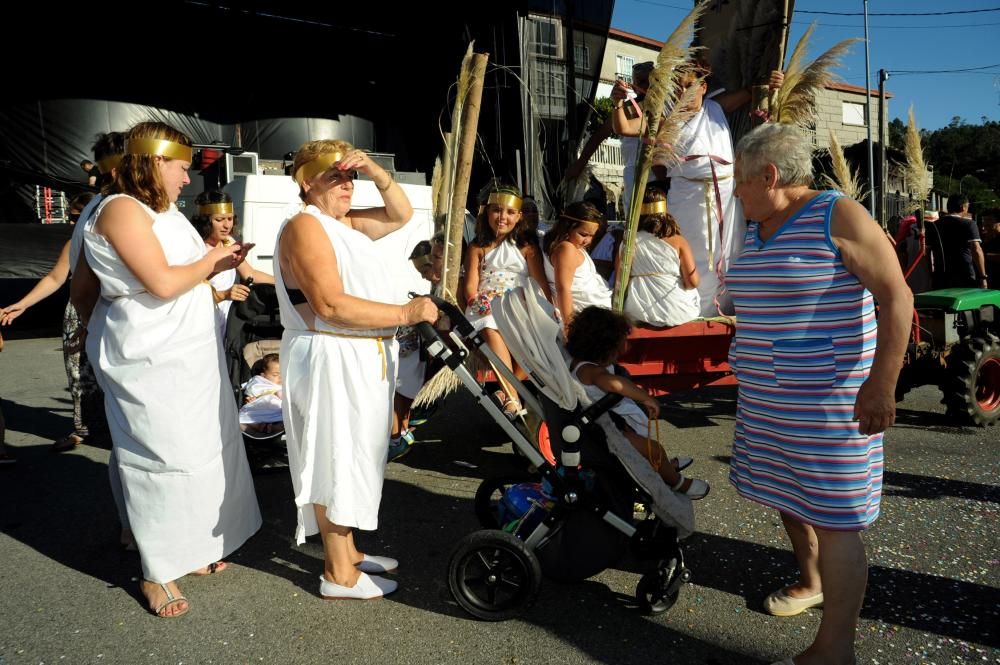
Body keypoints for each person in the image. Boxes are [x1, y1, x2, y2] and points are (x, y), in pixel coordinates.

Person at [726, 123, 912, 665]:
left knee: (835, 520)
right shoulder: (756, 225)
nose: (735, 192)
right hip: (768, 400)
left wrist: (882, 385)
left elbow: (896, 299)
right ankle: (811, 583)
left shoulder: (837, 214)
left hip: (828, 405)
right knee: (791, 500)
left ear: (770, 174)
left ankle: (835, 651)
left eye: (740, 180)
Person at [70, 121, 262, 618]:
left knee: (198, 451)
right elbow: (156, 282)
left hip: (188, 356)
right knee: (157, 456)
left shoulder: (166, 214)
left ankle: (188, 544)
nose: (186, 179)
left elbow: (186, 274)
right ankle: (156, 570)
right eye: (181, 167)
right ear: (156, 161)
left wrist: (220, 265)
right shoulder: (119, 210)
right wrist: (103, 336)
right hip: (148, 358)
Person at [274, 138, 437, 600]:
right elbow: (328, 304)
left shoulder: (340, 222)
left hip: (355, 354)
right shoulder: (306, 227)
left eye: (350, 176)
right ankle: (337, 574)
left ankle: (349, 554)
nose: (347, 184)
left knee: (354, 459)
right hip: (331, 354)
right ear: (307, 184)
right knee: (334, 460)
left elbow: (401, 214)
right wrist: (405, 314)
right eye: (335, 177)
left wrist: (376, 171)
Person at [660, 59, 784, 317]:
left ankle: (726, 307)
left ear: (703, 87)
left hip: (726, 196)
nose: (684, 92)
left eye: (690, 85)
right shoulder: (667, 120)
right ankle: (692, 310)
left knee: (728, 251)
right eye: (678, 87)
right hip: (688, 197)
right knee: (694, 252)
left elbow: (753, 91)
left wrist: (772, 84)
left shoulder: (715, 107)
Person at [566, 306, 708, 498]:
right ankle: (677, 483)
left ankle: (664, 466)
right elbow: (615, 383)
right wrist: (646, 397)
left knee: (652, 447)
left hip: (606, 421)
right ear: (606, 348)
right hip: (609, 430)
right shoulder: (592, 371)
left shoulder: (576, 362)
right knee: (654, 449)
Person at [1, 192, 98, 451]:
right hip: (76, 315)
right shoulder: (73, 244)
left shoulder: (114, 238)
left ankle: (120, 431)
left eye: (81, 215)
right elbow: (55, 279)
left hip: (108, 312)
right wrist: (22, 304)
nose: (75, 221)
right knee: (79, 376)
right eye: (72, 216)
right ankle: (83, 429)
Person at [464, 184, 551, 419]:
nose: (502, 217)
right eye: (496, 210)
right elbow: (471, 285)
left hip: (519, 302)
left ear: (519, 216)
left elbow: (541, 282)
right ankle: (513, 396)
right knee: (491, 326)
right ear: (486, 213)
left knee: (538, 333)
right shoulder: (477, 246)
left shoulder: (527, 246)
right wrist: (478, 301)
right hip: (486, 304)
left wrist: (552, 309)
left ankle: (507, 391)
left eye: (510, 212)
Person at [189, 189, 275, 340]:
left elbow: (251, 274)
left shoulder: (228, 242)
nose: (226, 225)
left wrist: (282, 283)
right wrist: (225, 294)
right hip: (202, 320)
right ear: (205, 220)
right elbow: (192, 287)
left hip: (227, 320)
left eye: (229, 219)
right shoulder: (195, 246)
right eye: (219, 219)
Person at [389, 234, 446, 462]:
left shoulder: (448, 285)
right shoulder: (438, 285)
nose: (424, 276)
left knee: (396, 385)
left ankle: (396, 436)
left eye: (426, 269)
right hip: (419, 341)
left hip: (422, 346)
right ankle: (400, 431)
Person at [622, 186, 701, 327]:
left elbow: (620, 280)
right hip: (677, 311)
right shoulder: (678, 241)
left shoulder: (628, 241)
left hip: (638, 312)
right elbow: (692, 282)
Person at [542, 201, 612, 331]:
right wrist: (569, 326)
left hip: (590, 315)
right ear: (568, 227)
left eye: (592, 236)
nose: (588, 240)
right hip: (581, 318)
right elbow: (563, 289)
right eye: (583, 234)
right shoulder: (566, 248)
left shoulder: (571, 247)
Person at [931, 194, 989, 289]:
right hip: (965, 275)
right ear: (963, 207)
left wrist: (931, 274)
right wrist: (983, 277)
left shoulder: (934, 225)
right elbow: (976, 250)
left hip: (940, 276)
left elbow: (928, 252)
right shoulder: (969, 224)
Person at [239, 353, 283, 434]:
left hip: (277, 410)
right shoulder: (259, 381)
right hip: (258, 408)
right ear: (263, 375)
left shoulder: (285, 385)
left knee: (286, 421)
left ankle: (273, 428)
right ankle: (259, 426)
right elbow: (251, 391)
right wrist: (250, 398)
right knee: (243, 417)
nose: (280, 377)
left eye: (283, 374)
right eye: (275, 375)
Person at [980, 208, 1000, 289]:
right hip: (986, 280)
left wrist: (983, 256)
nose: (985, 223)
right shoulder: (981, 238)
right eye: (984, 220)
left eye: (989, 220)